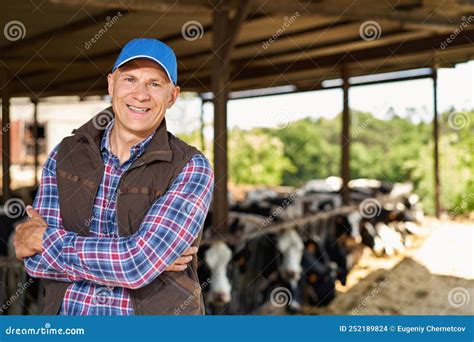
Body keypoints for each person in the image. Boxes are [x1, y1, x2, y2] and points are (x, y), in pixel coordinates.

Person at [13, 38, 214, 315]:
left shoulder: (191, 167)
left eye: (154, 84)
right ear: (111, 84)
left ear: (172, 96)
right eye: (130, 79)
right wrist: (144, 260)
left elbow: (136, 265)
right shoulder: (65, 154)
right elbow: (35, 263)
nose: (141, 94)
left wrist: (45, 239)